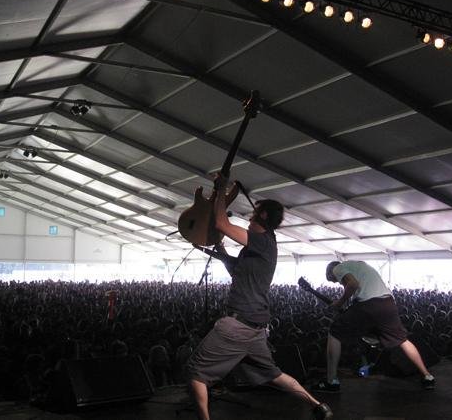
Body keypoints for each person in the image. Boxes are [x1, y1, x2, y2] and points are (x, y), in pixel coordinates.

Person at [186, 173, 333, 420]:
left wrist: (220, 190)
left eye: (253, 215)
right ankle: (318, 406)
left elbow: (221, 224)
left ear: (262, 216)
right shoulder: (261, 247)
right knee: (274, 375)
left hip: (237, 325)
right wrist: (216, 249)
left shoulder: (262, 241)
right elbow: (236, 270)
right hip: (255, 329)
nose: (249, 219)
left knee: (195, 373)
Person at [315, 260, 435, 392]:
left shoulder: (337, 268)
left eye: (334, 280)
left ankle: (331, 381)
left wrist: (339, 302)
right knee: (402, 340)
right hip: (387, 303)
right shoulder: (360, 265)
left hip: (369, 304)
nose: (338, 282)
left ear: (330, 272)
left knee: (334, 332)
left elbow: (353, 284)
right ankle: (427, 376)